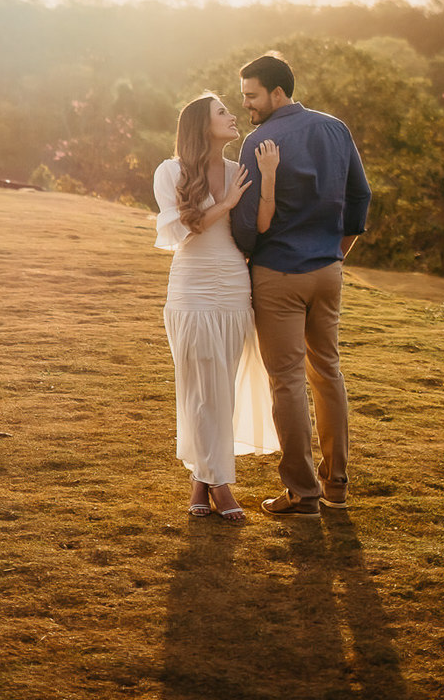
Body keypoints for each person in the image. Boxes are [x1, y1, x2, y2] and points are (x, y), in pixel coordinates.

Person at [231, 51, 371, 517]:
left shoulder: (259, 142)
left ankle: (303, 494)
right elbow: (361, 195)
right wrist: (338, 250)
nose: (246, 104)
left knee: (287, 381)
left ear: (277, 92)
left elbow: (246, 227)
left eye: (252, 95)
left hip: (278, 274)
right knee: (328, 372)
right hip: (328, 271)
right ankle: (337, 486)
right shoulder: (335, 128)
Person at [153, 92, 279, 523]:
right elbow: (181, 229)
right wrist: (224, 204)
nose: (233, 116)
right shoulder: (171, 171)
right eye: (222, 112)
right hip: (192, 288)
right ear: (200, 125)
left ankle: (200, 483)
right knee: (200, 386)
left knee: (221, 388)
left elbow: (259, 226)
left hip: (233, 287)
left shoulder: (238, 170)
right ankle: (221, 485)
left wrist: (268, 177)